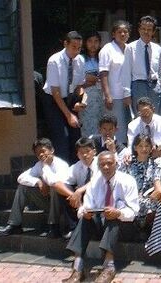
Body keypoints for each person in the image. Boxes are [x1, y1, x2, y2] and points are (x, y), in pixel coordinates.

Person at [63, 151, 139, 283]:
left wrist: (118, 213)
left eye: (109, 163)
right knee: (85, 219)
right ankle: (78, 268)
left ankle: (109, 267)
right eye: (102, 164)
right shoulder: (94, 182)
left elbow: (134, 212)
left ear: (116, 164)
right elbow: (85, 207)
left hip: (125, 226)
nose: (106, 167)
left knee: (113, 217)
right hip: (101, 225)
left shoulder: (128, 181)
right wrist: (84, 213)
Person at [0, 138, 69, 238]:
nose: (41, 155)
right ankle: (15, 224)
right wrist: (38, 181)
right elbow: (21, 178)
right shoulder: (39, 165)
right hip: (48, 202)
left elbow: (55, 183)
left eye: (43, 151)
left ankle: (53, 226)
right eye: (38, 153)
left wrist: (46, 168)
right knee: (23, 187)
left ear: (52, 150)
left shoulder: (62, 165)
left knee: (54, 188)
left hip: (62, 206)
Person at [42, 31, 85, 163]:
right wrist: (68, 115)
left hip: (71, 98)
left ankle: (76, 173)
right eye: (73, 47)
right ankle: (61, 175)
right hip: (54, 100)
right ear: (66, 44)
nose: (76, 51)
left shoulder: (80, 60)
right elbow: (55, 92)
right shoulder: (54, 61)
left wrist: (82, 101)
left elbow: (80, 86)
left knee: (76, 137)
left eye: (79, 48)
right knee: (62, 137)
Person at [99, 20, 131, 145]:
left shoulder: (130, 48)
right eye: (119, 32)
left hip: (128, 95)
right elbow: (103, 73)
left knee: (130, 127)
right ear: (113, 34)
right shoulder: (107, 49)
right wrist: (107, 95)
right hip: (114, 95)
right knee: (117, 128)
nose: (122, 34)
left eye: (125, 32)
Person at [122, 15, 161, 114]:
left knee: (154, 116)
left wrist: (159, 86)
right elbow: (126, 71)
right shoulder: (130, 48)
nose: (146, 32)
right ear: (139, 30)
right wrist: (126, 93)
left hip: (154, 87)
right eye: (143, 29)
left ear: (153, 31)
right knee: (140, 117)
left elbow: (160, 70)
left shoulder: (158, 48)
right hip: (138, 86)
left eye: (149, 29)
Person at [63, 137, 99, 240]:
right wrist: (72, 194)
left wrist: (79, 191)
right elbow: (60, 182)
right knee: (64, 191)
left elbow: (98, 181)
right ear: (77, 155)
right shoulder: (76, 167)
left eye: (87, 151)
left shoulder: (100, 162)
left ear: (94, 151)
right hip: (81, 198)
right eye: (81, 152)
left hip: (97, 195)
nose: (85, 155)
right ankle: (73, 227)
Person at [119, 134, 157, 228]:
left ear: (151, 148)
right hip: (130, 197)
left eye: (147, 146)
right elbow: (120, 181)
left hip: (149, 198)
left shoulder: (156, 165)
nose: (144, 149)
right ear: (135, 148)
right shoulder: (128, 163)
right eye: (140, 146)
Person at [79, 31, 104, 138]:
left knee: (101, 122)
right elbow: (79, 78)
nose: (93, 44)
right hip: (86, 96)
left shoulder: (103, 57)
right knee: (87, 123)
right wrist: (92, 79)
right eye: (90, 41)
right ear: (85, 43)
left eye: (96, 41)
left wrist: (93, 79)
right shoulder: (80, 58)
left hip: (101, 96)